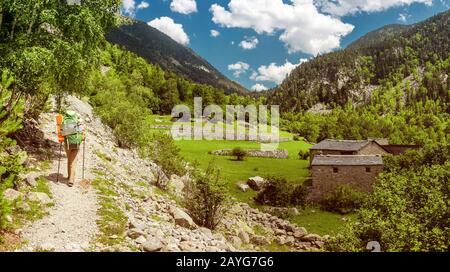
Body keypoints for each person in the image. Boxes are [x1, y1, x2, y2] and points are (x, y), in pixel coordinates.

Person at [57, 110, 85, 187]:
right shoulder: (78, 120)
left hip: (68, 143)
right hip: (76, 144)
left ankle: (69, 177)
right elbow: (83, 133)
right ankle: (71, 180)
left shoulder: (64, 121)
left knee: (69, 160)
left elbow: (61, 133)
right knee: (73, 161)